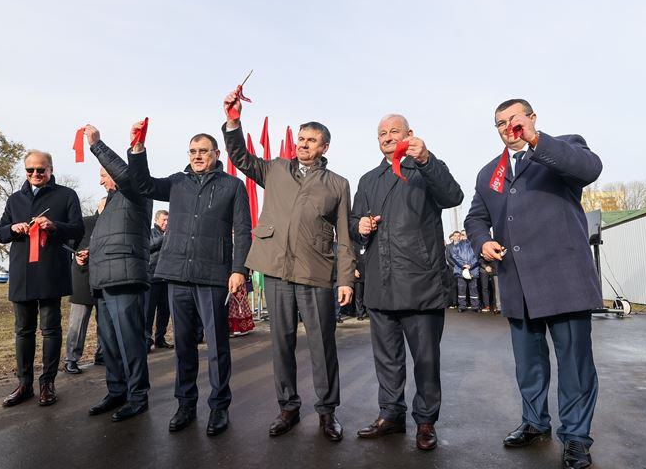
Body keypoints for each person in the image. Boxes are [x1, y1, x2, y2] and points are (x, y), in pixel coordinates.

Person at [465, 98, 602, 469]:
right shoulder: (488, 173)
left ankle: (575, 437)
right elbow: (476, 217)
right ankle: (535, 422)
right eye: (499, 123)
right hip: (517, 283)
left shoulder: (564, 147)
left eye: (514, 119)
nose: (507, 126)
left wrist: (538, 142)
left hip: (563, 280)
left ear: (531, 119)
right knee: (529, 365)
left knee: (574, 366)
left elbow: (589, 168)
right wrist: (481, 242)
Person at [222, 91, 355, 442]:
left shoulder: (338, 184)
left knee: (322, 345)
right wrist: (233, 121)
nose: (304, 145)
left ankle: (327, 413)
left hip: (315, 271)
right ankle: (288, 408)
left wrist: (345, 279)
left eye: (311, 141)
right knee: (280, 344)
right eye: (301, 139)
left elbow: (345, 235)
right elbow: (239, 156)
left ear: (325, 147)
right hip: (276, 268)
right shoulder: (276, 168)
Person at [350, 114, 463, 450]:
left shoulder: (423, 170)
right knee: (386, 358)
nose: (387, 137)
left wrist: (425, 158)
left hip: (420, 282)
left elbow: (453, 196)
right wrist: (361, 225)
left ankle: (425, 421)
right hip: (380, 283)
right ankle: (390, 414)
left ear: (409, 134)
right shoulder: (370, 179)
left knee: (425, 359)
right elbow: (355, 217)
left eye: (393, 131)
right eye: (381, 133)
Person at [129, 127, 251, 436]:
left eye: (203, 151)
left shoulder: (232, 186)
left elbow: (243, 229)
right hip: (177, 274)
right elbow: (142, 184)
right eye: (193, 151)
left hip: (213, 276)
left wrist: (239, 269)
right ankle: (185, 404)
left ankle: (219, 406)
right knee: (183, 345)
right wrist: (139, 150)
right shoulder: (177, 183)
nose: (197, 156)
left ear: (216, 155)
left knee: (216, 345)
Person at [0, 150, 84, 407]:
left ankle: (48, 383)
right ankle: (24, 384)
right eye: (30, 170)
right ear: (25, 171)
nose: (35, 174)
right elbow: (0, 232)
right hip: (22, 273)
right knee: (23, 330)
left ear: (50, 170)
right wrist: (12, 228)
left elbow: (77, 229)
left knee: (51, 329)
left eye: (41, 170)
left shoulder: (66, 195)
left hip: (50, 271)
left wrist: (54, 225)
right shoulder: (14, 200)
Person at [78, 128, 153, 422]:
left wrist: (96, 144)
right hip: (103, 279)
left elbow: (125, 175)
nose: (100, 179)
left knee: (129, 341)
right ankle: (117, 390)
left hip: (125, 277)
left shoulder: (136, 192)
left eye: (103, 173)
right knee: (109, 342)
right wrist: (87, 252)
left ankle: (138, 396)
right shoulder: (108, 203)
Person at [63, 198, 105, 374]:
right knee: (78, 322)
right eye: (105, 204)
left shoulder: (116, 225)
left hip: (105, 278)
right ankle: (71, 359)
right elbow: (66, 244)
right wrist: (77, 255)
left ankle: (102, 354)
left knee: (105, 322)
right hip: (82, 277)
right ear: (99, 206)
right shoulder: (84, 223)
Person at [145, 209, 172, 352]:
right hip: (152, 278)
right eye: (164, 220)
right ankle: (146, 340)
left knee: (164, 312)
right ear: (156, 220)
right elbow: (148, 246)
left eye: (168, 220)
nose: (166, 223)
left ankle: (160, 339)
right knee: (149, 312)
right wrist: (165, 238)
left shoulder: (171, 235)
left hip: (167, 279)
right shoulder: (149, 233)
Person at [451, 232, 480, 311]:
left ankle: (475, 306)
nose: (464, 236)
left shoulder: (475, 246)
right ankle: (462, 306)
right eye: (462, 235)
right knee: (461, 289)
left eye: (466, 234)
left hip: (472, 270)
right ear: (460, 236)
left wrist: (470, 265)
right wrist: (463, 265)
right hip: (460, 271)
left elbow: (477, 257)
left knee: (474, 289)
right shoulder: (456, 247)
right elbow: (454, 257)